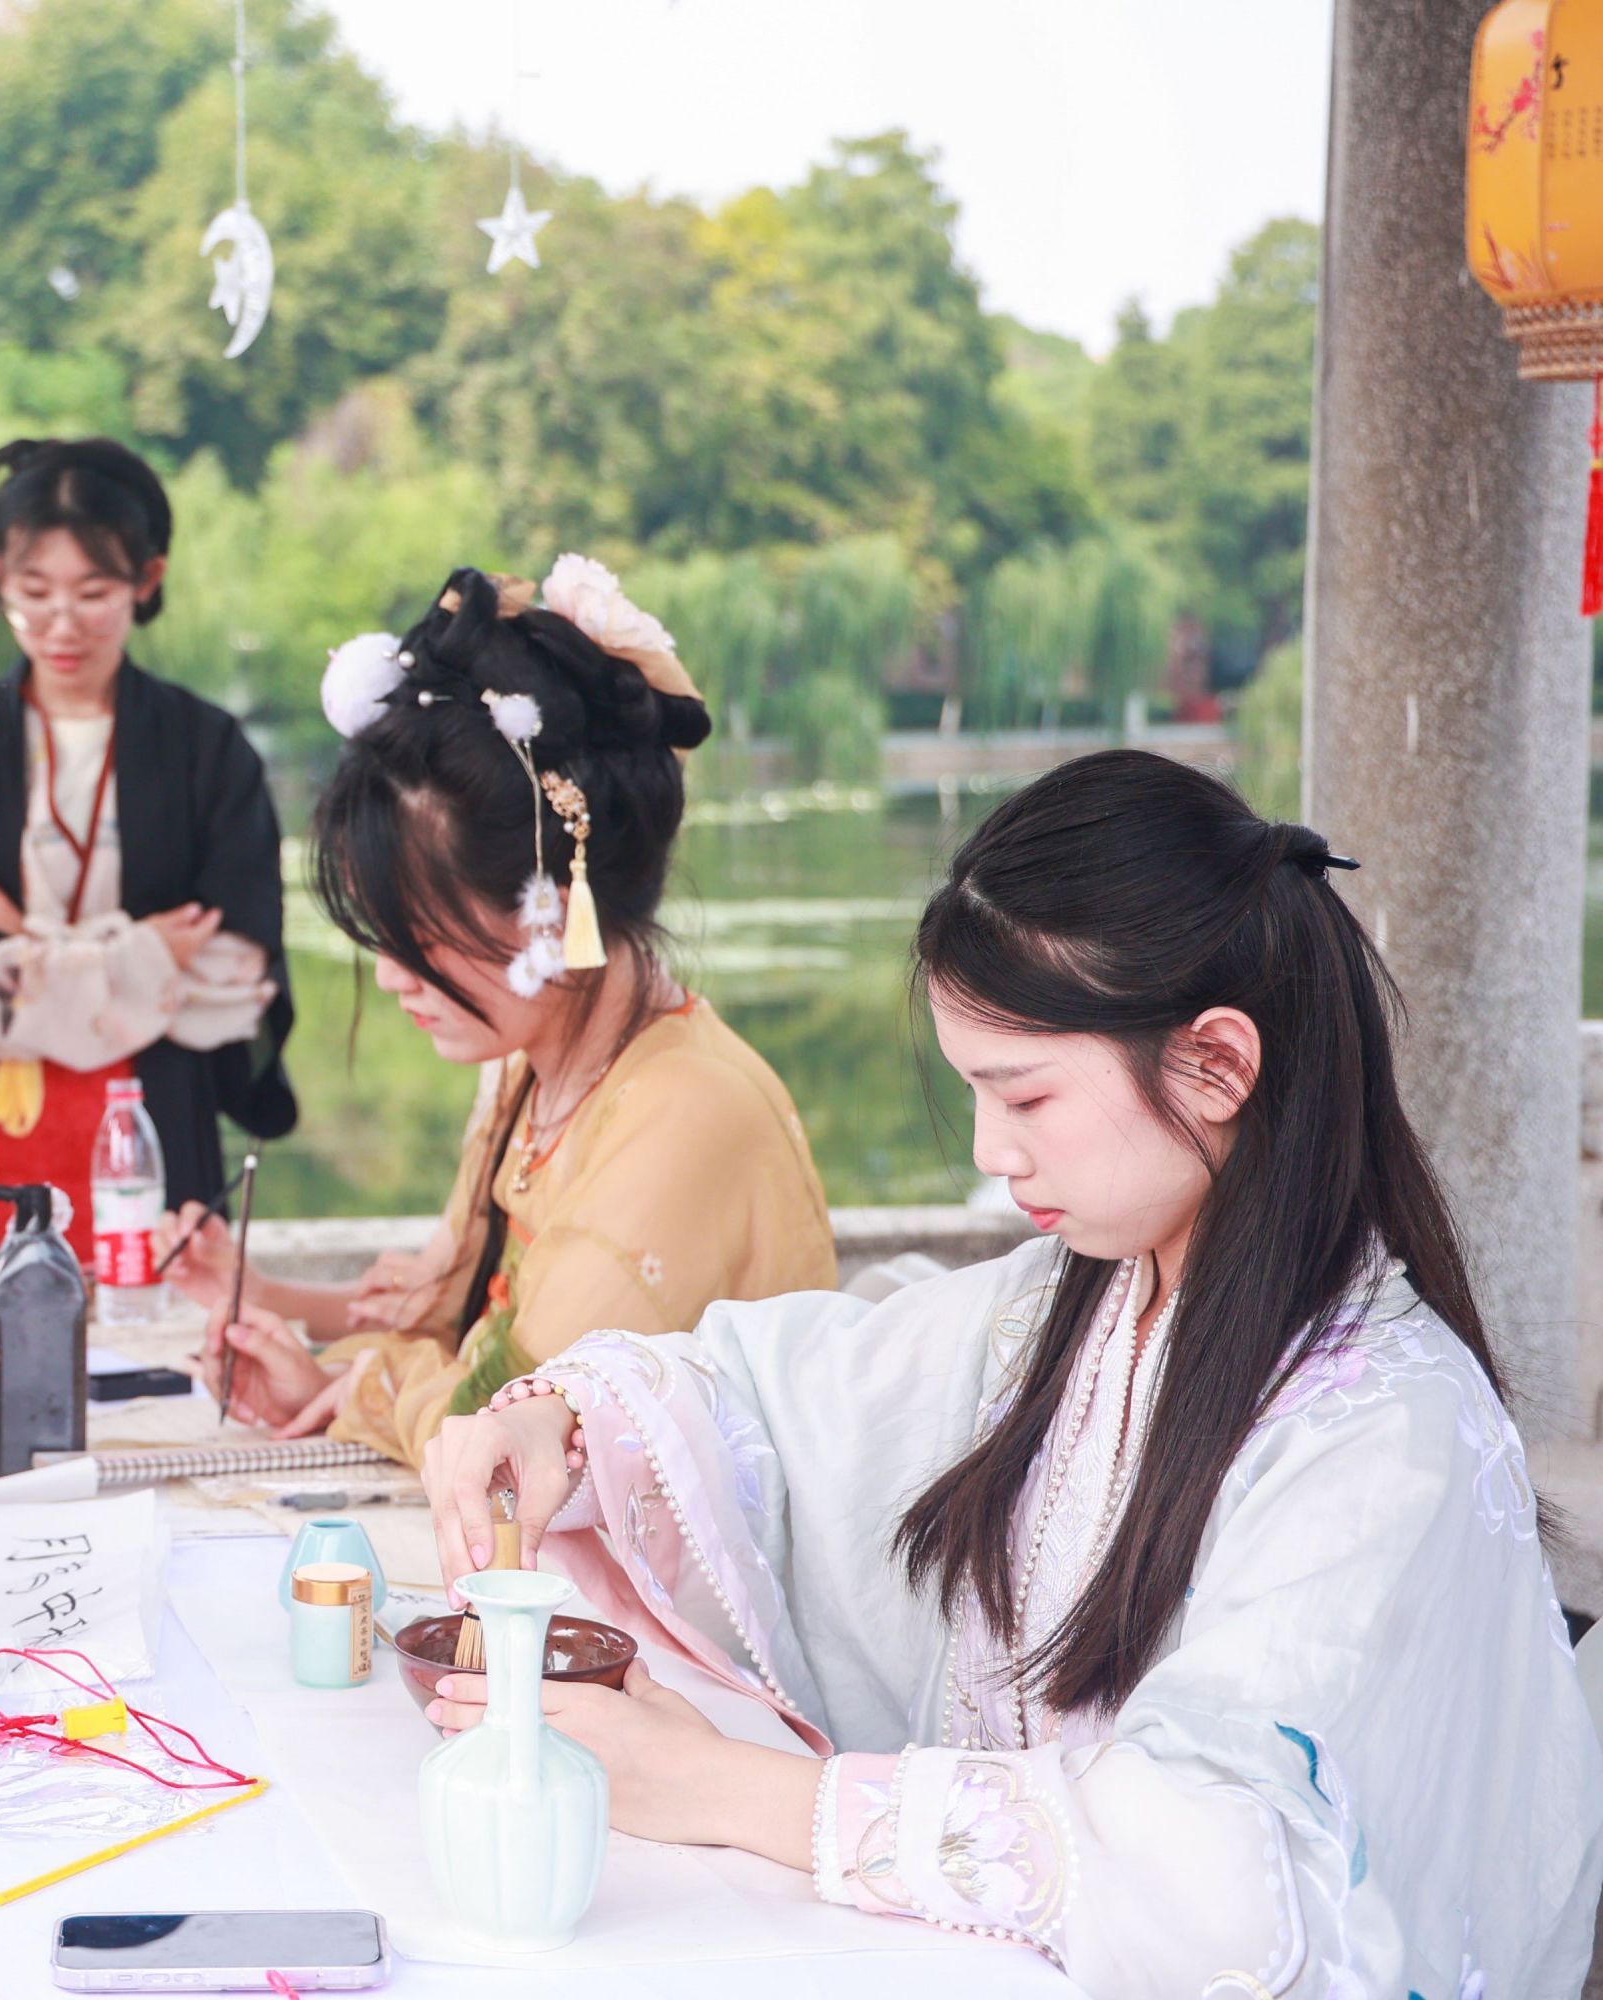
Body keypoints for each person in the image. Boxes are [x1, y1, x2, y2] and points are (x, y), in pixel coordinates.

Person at [422, 750, 1603, 1996]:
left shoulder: (1385, 1433)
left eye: (1026, 1096)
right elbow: (787, 1397)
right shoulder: (1074, 1299)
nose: (993, 1150)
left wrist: (739, 1791)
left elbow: (1224, 1887)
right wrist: (564, 1418)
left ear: (1217, 1064)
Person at [163, 562, 835, 1467]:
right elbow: (453, 1322)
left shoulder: (686, 1111)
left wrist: (360, 1390)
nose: (392, 978)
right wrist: (294, 1341)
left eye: (421, 937)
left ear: (554, 902)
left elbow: (512, 1420)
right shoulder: (535, 1065)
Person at [0, 436, 293, 1286]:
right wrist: (142, 961)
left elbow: (233, 983)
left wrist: (18, 935)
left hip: (153, 1122)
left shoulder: (205, 749)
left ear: (147, 581)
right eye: (34, 592)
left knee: (164, 1352)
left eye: (93, 593)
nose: (62, 624)